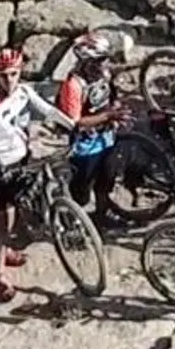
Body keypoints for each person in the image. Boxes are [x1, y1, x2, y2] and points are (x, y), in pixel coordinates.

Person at [0, 46, 76, 302]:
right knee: (3, 221)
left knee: (30, 197)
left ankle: (10, 245)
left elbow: (48, 111)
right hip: (0, 168)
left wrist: (72, 126)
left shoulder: (24, 93)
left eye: (13, 74)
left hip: (22, 158)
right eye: (3, 75)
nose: (9, 81)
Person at [54, 32, 126, 225]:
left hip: (107, 137)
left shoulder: (104, 74)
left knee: (106, 179)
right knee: (82, 189)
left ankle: (102, 215)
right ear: (87, 62)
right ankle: (74, 222)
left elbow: (112, 95)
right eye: (100, 59)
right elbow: (75, 121)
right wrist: (107, 116)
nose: (105, 63)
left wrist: (116, 109)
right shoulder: (74, 85)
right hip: (85, 146)